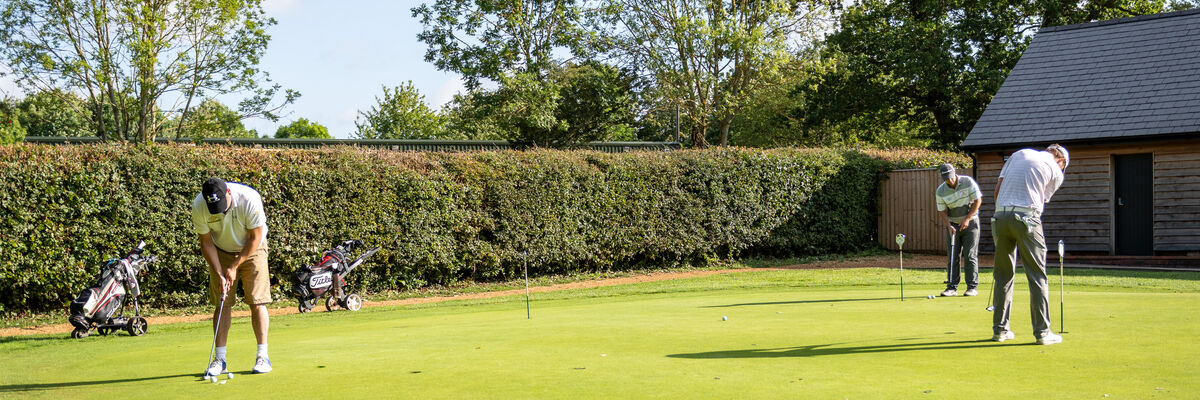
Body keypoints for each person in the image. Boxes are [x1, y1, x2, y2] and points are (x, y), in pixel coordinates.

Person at [192, 178, 274, 374]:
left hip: (253, 248)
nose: (220, 211)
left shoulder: (249, 198)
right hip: (220, 250)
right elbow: (206, 242)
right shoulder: (199, 205)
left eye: (222, 205)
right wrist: (220, 271)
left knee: (257, 301)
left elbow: (255, 237)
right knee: (222, 303)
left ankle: (263, 357)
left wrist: (235, 265)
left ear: (228, 193)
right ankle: (219, 359)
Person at [990, 144, 1069, 345]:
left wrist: (1003, 213)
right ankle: (1042, 333)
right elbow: (1041, 199)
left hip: (1000, 217)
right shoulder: (1056, 171)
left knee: (1003, 275)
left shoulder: (1019, 154)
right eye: (1063, 167)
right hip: (1027, 218)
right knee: (1037, 275)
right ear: (1061, 161)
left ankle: (1000, 331)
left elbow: (998, 189)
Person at [935, 164, 982, 297]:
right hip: (953, 226)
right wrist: (949, 225)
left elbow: (978, 201)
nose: (949, 181)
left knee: (969, 255)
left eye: (950, 177)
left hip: (971, 223)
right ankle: (952, 287)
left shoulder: (967, 181)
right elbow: (942, 211)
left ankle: (972, 287)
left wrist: (967, 219)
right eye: (946, 178)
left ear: (955, 173)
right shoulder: (941, 191)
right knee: (953, 256)